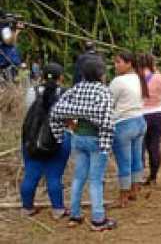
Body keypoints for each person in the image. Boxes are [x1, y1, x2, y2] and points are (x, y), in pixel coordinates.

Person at [49, 58, 117, 231]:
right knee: (95, 180)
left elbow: (57, 110)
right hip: (96, 140)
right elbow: (106, 120)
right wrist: (106, 144)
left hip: (78, 138)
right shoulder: (104, 92)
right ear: (102, 74)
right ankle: (98, 219)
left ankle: (75, 215)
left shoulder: (76, 88)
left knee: (78, 178)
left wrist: (74, 119)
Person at [20, 63, 71, 219]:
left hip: (32, 139)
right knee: (54, 176)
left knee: (30, 174)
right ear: (61, 77)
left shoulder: (32, 92)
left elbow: (29, 112)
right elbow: (68, 118)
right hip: (58, 138)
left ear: (41, 76)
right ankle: (58, 209)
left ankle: (27, 208)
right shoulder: (66, 93)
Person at [110, 52, 149, 207]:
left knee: (124, 162)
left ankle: (123, 197)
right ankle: (134, 189)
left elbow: (109, 101)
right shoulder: (139, 78)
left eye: (118, 62)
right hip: (140, 121)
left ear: (129, 64)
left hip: (123, 124)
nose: (115, 65)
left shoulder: (118, 81)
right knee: (136, 158)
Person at [140, 54, 161, 186]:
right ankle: (153, 177)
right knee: (154, 146)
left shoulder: (137, 78)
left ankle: (137, 177)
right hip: (158, 112)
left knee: (139, 147)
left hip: (141, 113)